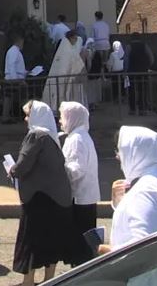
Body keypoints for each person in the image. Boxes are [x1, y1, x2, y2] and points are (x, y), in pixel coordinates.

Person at [9, 101, 75, 286]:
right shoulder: (52, 136)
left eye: (28, 115)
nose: (25, 119)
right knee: (51, 240)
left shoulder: (36, 136)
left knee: (31, 240)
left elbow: (23, 164)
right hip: (58, 198)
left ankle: (28, 281)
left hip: (40, 197)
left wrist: (12, 170)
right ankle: (49, 279)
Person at [104, 126, 157, 251]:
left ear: (133, 152)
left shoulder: (144, 192)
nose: (117, 157)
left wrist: (108, 251)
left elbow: (145, 246)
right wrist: (119, 202)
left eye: (119, 151)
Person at [58, 102, 100, 266]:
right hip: (84, 194)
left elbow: (77, 169)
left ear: (72, 118)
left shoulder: (76, 139)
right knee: (86, 235)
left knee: (81, 237)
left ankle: (81, 269)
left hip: (80, 195)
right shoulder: (79, 136)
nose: (60, 121)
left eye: (63, 117)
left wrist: (60, 170)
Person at [42, 30, 87, 112]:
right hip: (66, 78)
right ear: (71, 38)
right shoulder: (69, 50)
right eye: (75, 38)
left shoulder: (64, 49)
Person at [124, 33, 154, 115]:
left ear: (131, 38)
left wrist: (125, 71)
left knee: (132, 91)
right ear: (139, 38)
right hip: (143, 71)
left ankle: (132, 109)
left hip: (132, 72)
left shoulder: (129, 47)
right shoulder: (145, 46)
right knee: (143, 90)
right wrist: (148, 66)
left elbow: (126, 60)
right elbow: (151, 57)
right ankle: (143, 109)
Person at [2, 33, 29, 123]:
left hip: (15, 78)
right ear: (19, 42)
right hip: (14, 79)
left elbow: (16, 66)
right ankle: (26, 115)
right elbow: (12, 66)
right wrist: (16, 79)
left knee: (10, 97)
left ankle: (7, 116)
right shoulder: (14, 51)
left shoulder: (15, 51)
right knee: (20, 96)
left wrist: (25, 72)